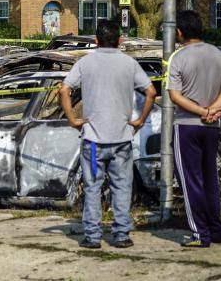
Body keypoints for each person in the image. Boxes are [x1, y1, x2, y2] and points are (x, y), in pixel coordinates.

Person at [60, 20, 156, 249]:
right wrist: (140, 120)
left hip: (93, 141)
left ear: (95, 40)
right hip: (122, 138)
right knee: (122, 187)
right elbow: (151, 91)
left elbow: (64, 89)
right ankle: (121, 234)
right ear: (120, 41)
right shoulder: (129, 63)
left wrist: (72, 119)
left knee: (93, 187)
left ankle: (92, 237)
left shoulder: (85, 62)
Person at [167, 10, 221, 248]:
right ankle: (216, 230)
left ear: (179, 32)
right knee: (210, 178)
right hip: (211, 126)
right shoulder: (217, 53)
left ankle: (200, 233)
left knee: (190, 181)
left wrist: (200, 111)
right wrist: (213, 109)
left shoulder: (179, 57)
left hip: (187, 125)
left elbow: (175, 95)